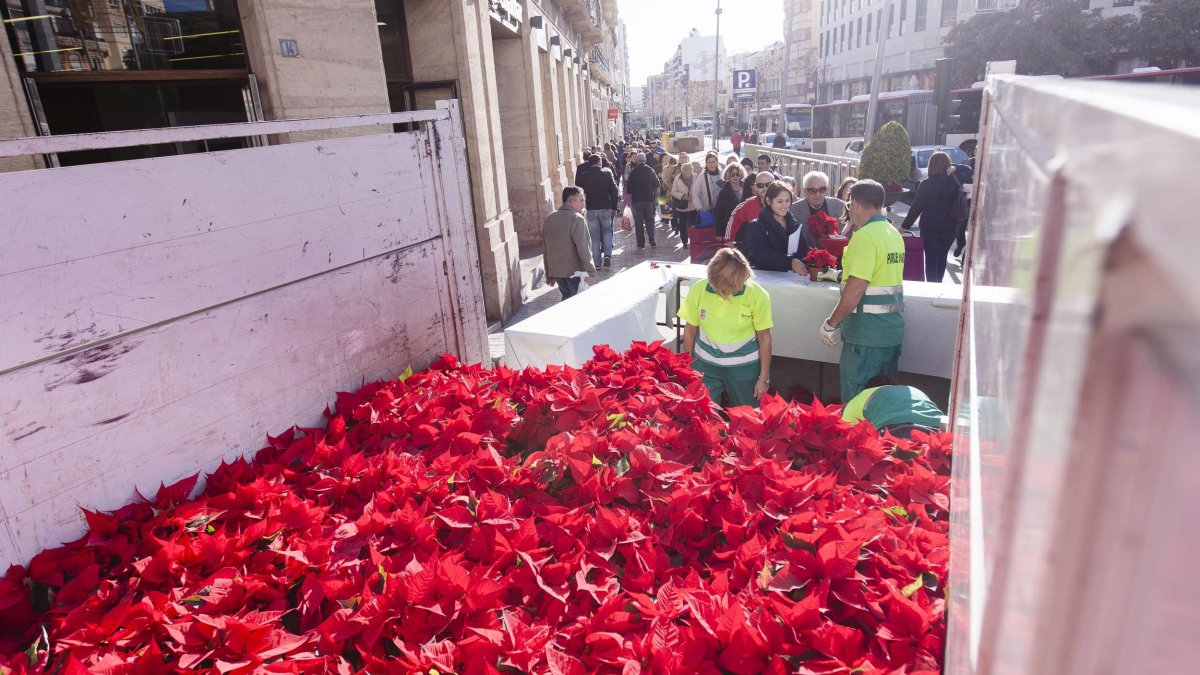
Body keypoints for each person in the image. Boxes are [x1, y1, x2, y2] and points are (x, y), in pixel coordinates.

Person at [820, 180, 906, 403]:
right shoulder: (892, 233)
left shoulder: (865, 237)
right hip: (890, 333)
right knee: (882, 403)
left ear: (855, 204)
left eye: (849, 205)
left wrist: (831, 323)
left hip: (866, 336)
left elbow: (857, 287)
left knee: (857, 405)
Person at [677, 248, 773, 408]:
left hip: (744, 367)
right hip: (705, 364)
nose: (725, 295)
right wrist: (689, 367)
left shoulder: (758, 295)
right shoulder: (699, 289)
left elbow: (765, 339)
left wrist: (763, 379)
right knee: (703, 415)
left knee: (747, 417)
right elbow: (689, 330)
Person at [899, 151, 959, 282]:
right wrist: (956, 168)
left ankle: (932, 286)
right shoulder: (954, 182)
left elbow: (916, 208)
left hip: (930, 229)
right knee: (942, 258)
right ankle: (939, 283)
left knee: (931, 260)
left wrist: (903, 227)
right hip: (950, 228)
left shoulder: (926, 184)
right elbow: (969, 170)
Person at [842, 374, 944, 439]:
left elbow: (844, 432)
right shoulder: (913, 390)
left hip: (894, 431)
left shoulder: (864, 395)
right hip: (938, 429)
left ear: (868, 388)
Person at [542, 186, 597, 300]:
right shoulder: (577, 219)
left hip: (556, 271)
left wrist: (549, 273)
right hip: (573, 272)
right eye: (581, 200)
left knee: (567, 298)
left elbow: (546, 249)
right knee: (575, 301)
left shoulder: (550, 218)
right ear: (571, 202)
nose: (583, 203)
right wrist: (591, 270)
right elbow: (583, 248)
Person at [744, 181, 809, 273]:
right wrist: (790, 262)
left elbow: (803, 250)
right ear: (768, 201)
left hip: (793, 278)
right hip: (766, 279)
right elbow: (761, 255)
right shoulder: (756, 226)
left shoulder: (794, 224)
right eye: (779, 201)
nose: (785, 205)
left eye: (787, 201)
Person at [575, 154, 620, 269]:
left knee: (594, 236)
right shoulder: (607, 173)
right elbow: (614, 191)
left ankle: (597, 263)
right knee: (607, 232)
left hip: (591, 208)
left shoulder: (584, 176)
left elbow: (578, 189)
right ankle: (608, 255)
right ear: (599, 162)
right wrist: (614, 207)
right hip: (605, 207)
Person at [791, 170, 846, 251]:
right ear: (805, 191)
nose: (817, 194)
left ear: (827, 189)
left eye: (822, 189)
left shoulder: (840, 206)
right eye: (812, 190)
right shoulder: (793, 210)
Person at [726, 171, 773, 248]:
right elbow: (734, 217)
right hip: (755, 249)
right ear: (755, 187)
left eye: (769, 185)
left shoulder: (782, 203)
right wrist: (729, 240)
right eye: (760, 185)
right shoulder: (749, 204)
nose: (765, 188)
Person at [626, 152, 660, 249]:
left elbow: (629, 189)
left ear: (637, 160)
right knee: (650, 220)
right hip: (649, 200)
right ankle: (652, 240)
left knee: (639, 222)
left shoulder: (633, 172)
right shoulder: (651, 170)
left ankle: (640, 243)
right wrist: (656, 198)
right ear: (645, 160)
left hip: (637, 201)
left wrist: (629, 200)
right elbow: (657, 185)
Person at [712, 163, 746, 244]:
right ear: (728, 175)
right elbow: (719, 214)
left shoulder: (747, 190)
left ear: (740, 175)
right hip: (729, 230)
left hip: (745, 230)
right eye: (732, 174)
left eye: (737, 174)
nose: (735, 176)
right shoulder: (723, 193)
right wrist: (719, 233)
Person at [670, 161, 698, 246]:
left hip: (693, 206)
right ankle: (684, 241)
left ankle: (693, 240)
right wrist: (683, 196)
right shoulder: (677, 178)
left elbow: (698, 190)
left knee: (693, 225)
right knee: (682, 225)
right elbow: (673, 192)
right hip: (681, 207)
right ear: (682, 171)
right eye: (685, 172)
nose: (687, 174)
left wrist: (693, 197)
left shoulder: (696, 177)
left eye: (689, 172)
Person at [690, 151, 723, 221]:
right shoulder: (702, 176)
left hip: (721, 211)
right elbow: (695, 193)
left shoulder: (722, 175)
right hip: (706, 211)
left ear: (717, 163)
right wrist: (700, 208)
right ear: (706, 164)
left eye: (713, 162)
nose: (712, 164)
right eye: (709, 162)